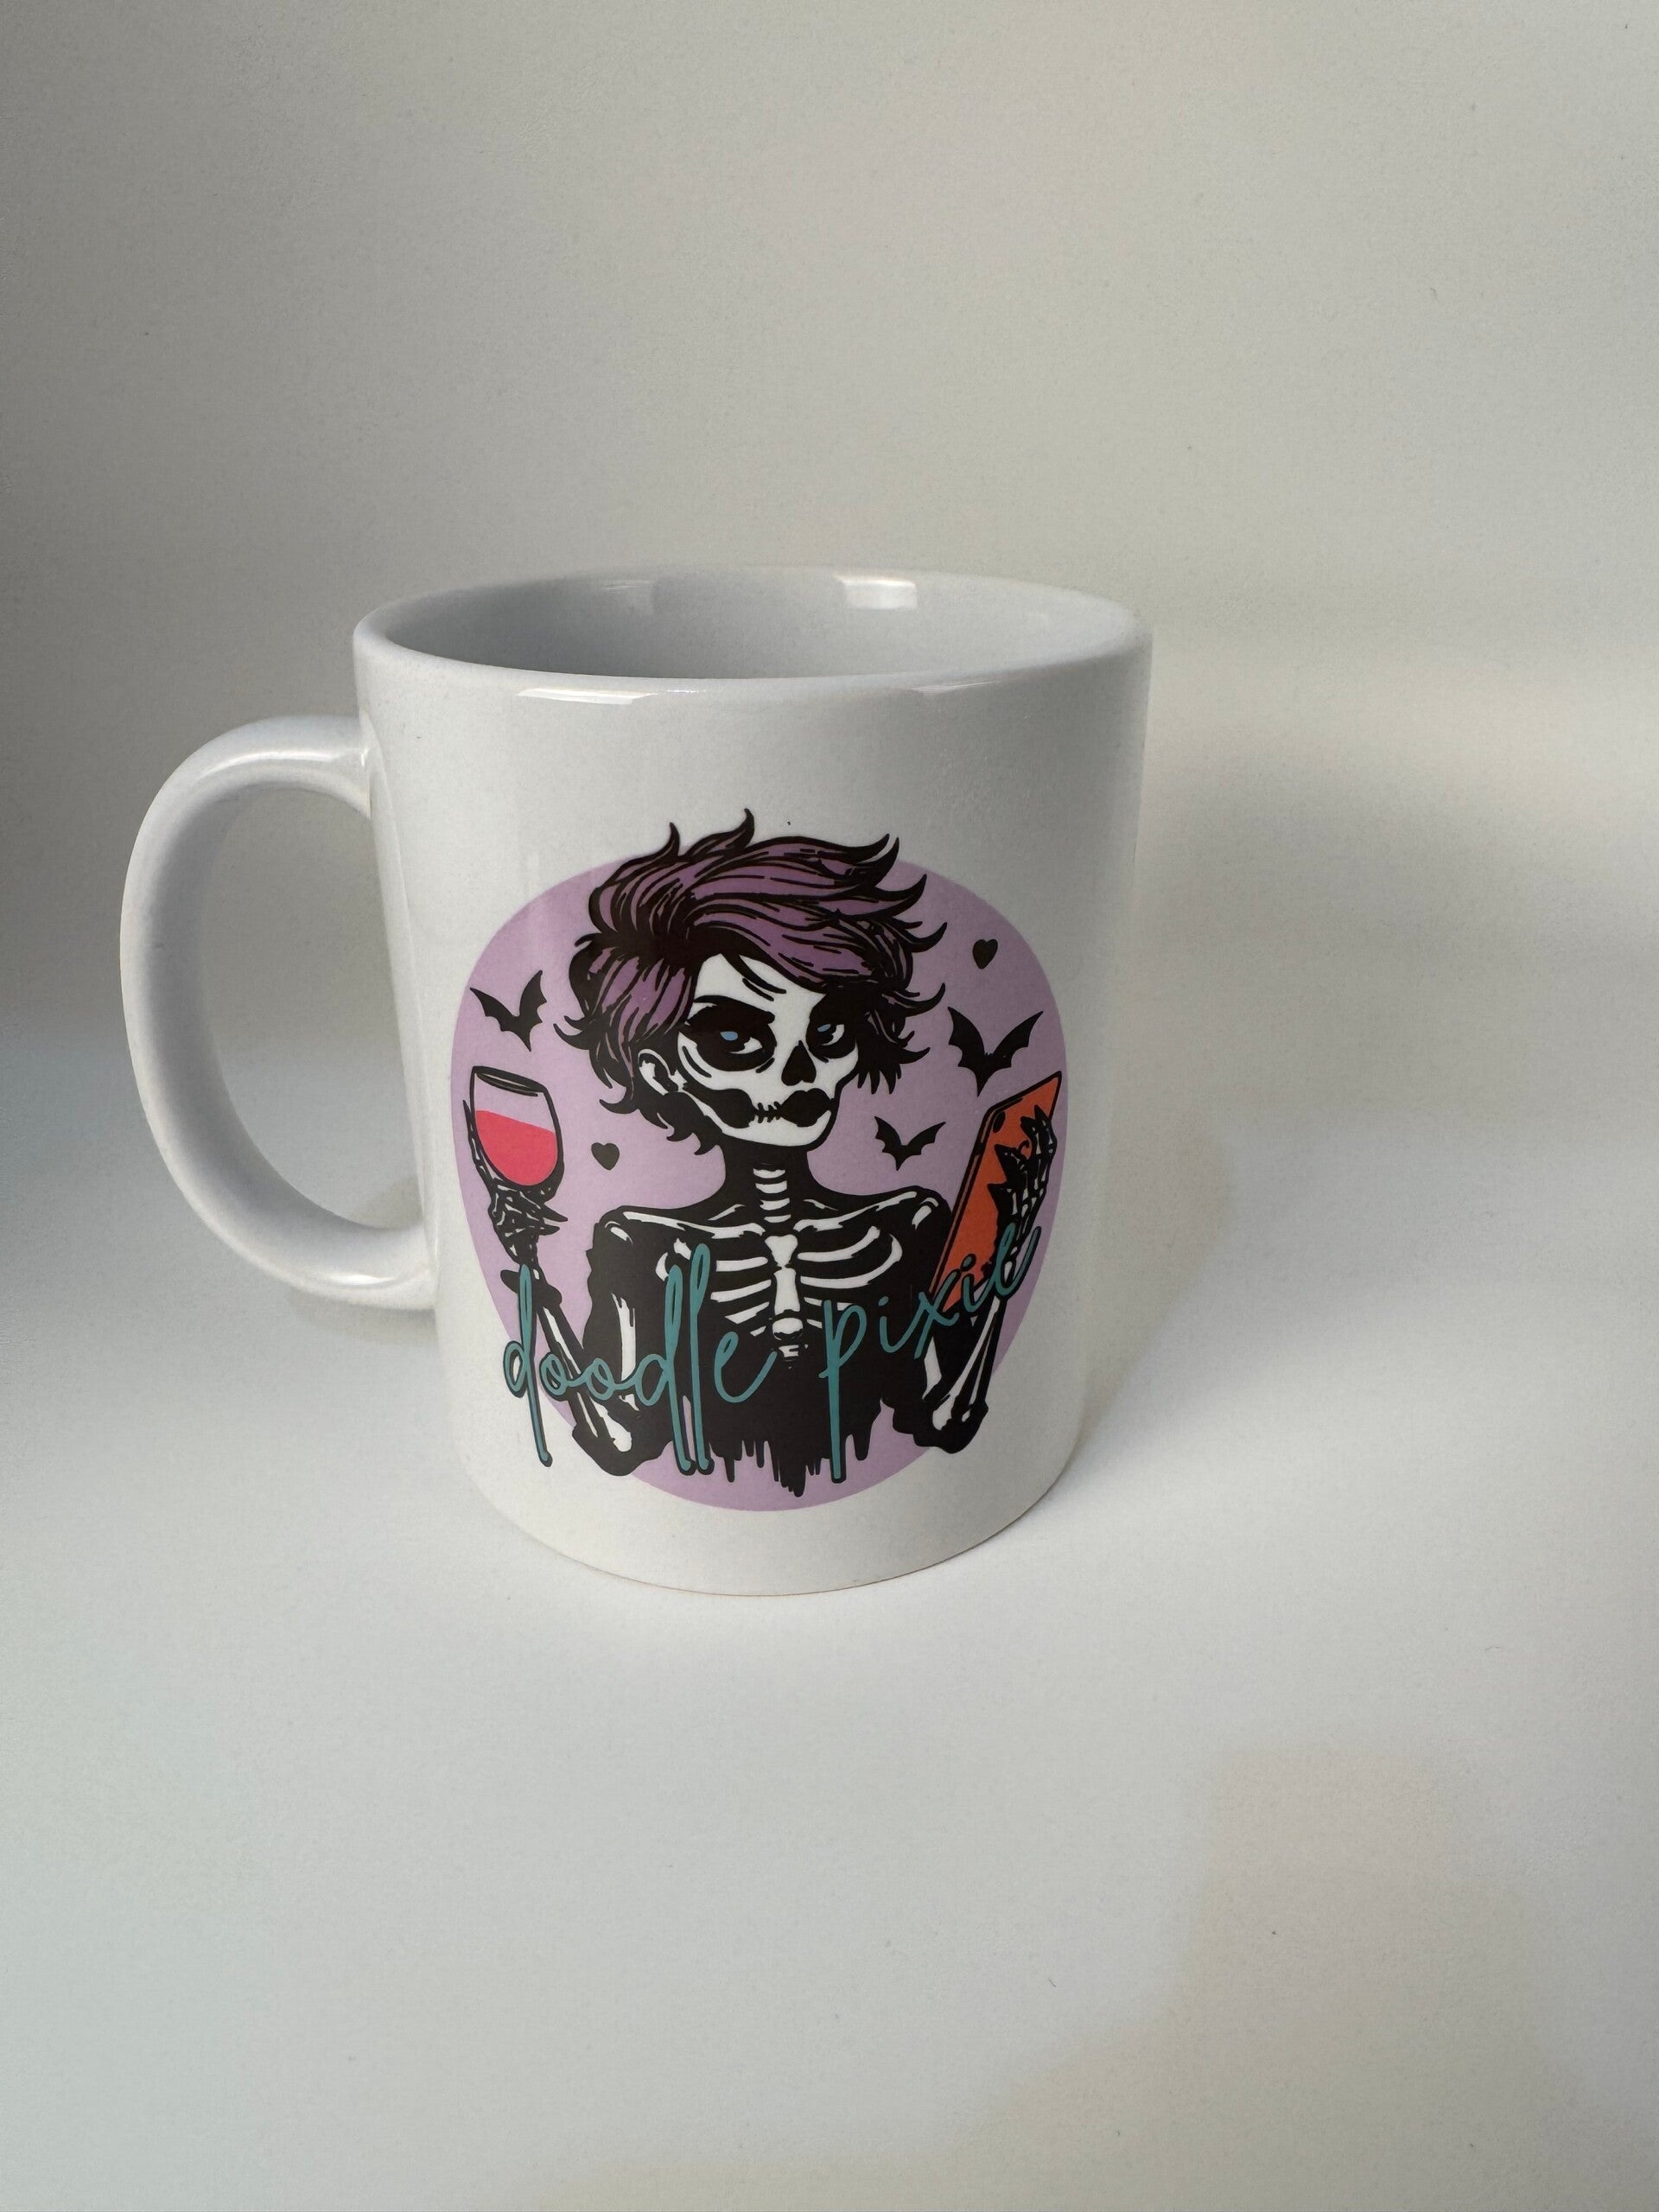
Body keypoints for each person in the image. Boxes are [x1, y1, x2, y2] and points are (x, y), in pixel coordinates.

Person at [469, 816, 1054, 1495]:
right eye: (736, 1039)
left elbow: (945, 1418)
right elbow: (620, 1440)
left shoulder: (907, 1225)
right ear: (662, 1070)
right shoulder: (641, 1244)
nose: (798, 1071)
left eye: (829, 1031)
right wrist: (529, 1267)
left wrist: (1007, 1243)